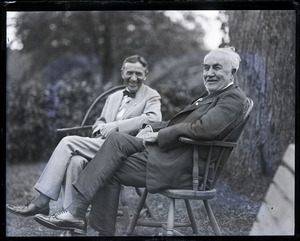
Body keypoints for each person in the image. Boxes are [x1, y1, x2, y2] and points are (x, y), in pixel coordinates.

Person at [34, 47, 249, 236]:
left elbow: (204, 129)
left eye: (217, 68)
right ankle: (81, 217)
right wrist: (152, 128)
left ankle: (78, 215)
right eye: (206, 67)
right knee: (114, 146)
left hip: (184, 168)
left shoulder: (232, 99)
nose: (209, 73)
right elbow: (182, 124)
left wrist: (160, 135)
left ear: (232, 72)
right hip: (171, 156)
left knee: (110, 159)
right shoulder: (211, 96)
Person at [6, 55, 162, 216]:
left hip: (126, 151)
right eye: (130, 73)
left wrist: (115, 126)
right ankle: (72, 220)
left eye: (139, 74)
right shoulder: (113, 97)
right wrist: (101, 127)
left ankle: (42, 200)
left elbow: (154, 119)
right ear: (122, 73)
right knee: (75, 161)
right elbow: (99, 122)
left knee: (68, 142)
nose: (134, 78)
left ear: (146, 74)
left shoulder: (151, 96)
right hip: (102, 146)